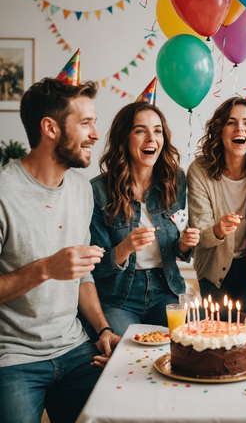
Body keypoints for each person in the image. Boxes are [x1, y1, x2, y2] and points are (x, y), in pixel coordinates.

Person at [0, 77, 120, 423]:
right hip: (14, 358)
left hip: (75, 349)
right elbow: (57, 268)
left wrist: (102, 330)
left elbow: (81, 274)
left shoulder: (81, 190)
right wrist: (44, 269)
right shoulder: (5, 193)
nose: (96, 134)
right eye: (86, 123)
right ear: (50, 128)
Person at [89, 101, 199, 337]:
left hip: (166, 289)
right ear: (124, 138)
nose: (151, 138)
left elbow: (176, 250)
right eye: (140, 130)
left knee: (190, 343)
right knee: (126, 355)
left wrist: (185, 245)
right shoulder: (99, 190)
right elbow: (96, 268)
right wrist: (126, 247)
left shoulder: (175, 180)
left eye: (157, 130)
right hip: (119, 297)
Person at [187, 96, 246, 324]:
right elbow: (201, 238)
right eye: (231, 122)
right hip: (214, 271)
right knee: (222, 322)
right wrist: (218, 230)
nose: (239, 128)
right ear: (220, 129)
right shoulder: (199, 171)